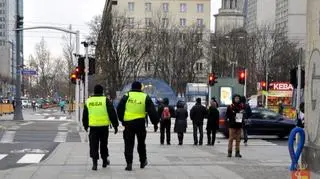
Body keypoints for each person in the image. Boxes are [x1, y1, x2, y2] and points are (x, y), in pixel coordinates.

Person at [117, 81, 159, 171]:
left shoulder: (127, 96)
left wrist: (122, 120)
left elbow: (119, 108)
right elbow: (152, 111)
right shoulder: (145, 97)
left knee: (128, 144)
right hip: (140, 123)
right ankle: (143, 161)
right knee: (141, 143)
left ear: (131, 87)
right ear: (140, 88)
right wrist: (155, 123)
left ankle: (129, 163)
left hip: (128, 124)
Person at [82, 84, 119, 171]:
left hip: (93, 127)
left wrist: (85, 126)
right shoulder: (105, 100)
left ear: (94, 91)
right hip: (103, 127)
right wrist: (115, 125)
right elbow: (112, 113)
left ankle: (94, 163)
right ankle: (104, 161)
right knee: (103, 144)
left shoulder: (89, 101)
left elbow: (85, 115)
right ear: (102, 91)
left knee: (93, 145)